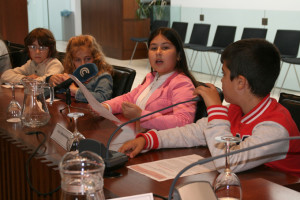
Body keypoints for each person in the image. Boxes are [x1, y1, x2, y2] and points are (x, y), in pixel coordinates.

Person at [119, 38, 300, 176]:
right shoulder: (236, 110)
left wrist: (214, 107)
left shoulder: (275, 126)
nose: (220, 80)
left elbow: (228, 163)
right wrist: (149, 140)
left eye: (224, 73)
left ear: (240, 83)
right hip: (251, 182)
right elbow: (193, 132)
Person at [102, 27, 198, 131]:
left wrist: (141, 115)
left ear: (178, 55)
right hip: (137, 133)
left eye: (165, 48)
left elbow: (183, 122)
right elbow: (129, 99)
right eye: (153, 48)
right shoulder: (151, 77)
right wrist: (106, 107)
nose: (158, 52)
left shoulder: (182, 83)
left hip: (160, 141)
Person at [49, 35, 113, 103]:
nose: (83, 64)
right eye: (78, 60)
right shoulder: (73, 74)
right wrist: (57, 84)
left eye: (88, 59)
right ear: (72, 61)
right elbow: (59, 92)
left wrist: (75, 90)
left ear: (95, 58)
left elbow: (102, 97)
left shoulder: (103, 76)